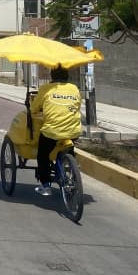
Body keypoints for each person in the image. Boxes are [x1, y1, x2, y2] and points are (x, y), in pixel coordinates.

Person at [30, 65, 81, 196]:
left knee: (42, 155)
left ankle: (45, 185)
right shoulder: (74, 88)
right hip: (73, 131)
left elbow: (34, 108)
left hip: (52, 131)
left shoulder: (46, 88)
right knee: (68, 147)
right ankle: (69, 170)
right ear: (67, 76)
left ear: (52, 76)